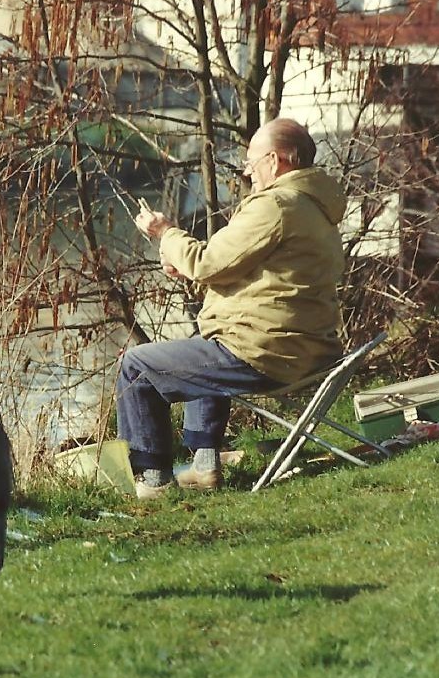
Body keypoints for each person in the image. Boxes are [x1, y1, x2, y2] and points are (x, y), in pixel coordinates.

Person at [120, 117, 348, 499]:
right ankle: (205, 463)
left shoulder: (276, 204)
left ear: (275, 161)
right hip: (309, 347)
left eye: (252, 161)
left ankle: (152, 479)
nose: (247, 170)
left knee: (136, 366)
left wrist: (165, 233)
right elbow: (250, 272)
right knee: (209, 338)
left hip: (271, 353)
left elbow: (210, 262)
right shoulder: (315, 205)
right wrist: (189, 267)